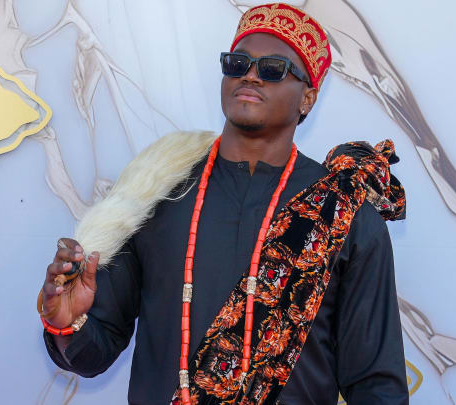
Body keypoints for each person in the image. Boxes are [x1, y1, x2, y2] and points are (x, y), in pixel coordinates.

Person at [39, 3, 409, 404]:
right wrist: (67, 323)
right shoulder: (156, 190)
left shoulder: (345, 212)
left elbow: (375, 382)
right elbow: (96, 349)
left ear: (307, 98)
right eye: (237, 63)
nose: (249, 74)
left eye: (272, 68)